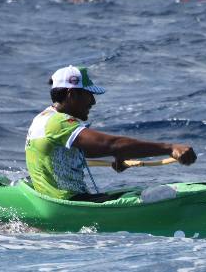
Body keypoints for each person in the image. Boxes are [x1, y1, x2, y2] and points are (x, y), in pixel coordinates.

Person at [25, 65, 196, 202]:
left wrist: (115, 158)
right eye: (89, 94)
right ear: (72, 94)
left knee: (134, 193)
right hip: (72, 203)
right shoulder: (59, 122)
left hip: (56, 202)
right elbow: (112, 144)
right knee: (157, 195)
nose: (93, 101)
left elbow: (69, 153)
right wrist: (169, 148)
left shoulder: (43, 119)